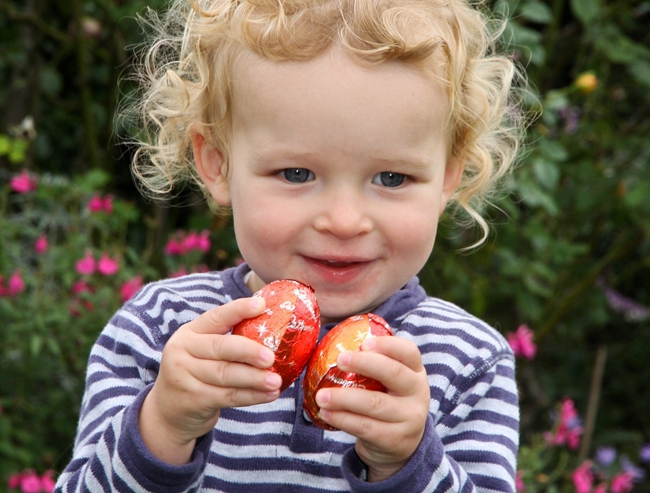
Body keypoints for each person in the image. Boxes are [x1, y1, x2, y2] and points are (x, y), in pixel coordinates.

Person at [55, 0, 525, 491]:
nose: (344, 221)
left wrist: (407, 465)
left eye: (392, 177)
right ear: (217, 163)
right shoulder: (162, 331)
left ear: (448, 176)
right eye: (296, 173)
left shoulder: (467, 362)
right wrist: (162, 428)